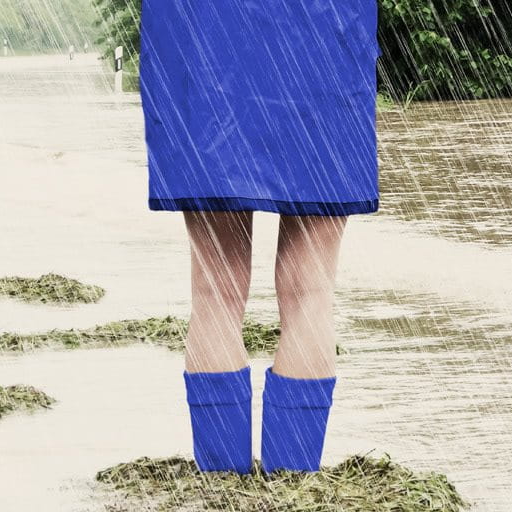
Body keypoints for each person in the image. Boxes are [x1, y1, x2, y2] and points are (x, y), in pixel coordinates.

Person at [138, 0, 379, 474]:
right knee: (311, 289)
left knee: (214, 292)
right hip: (321, 31)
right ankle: (291, 488)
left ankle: (223, 493)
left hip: (203, 32)